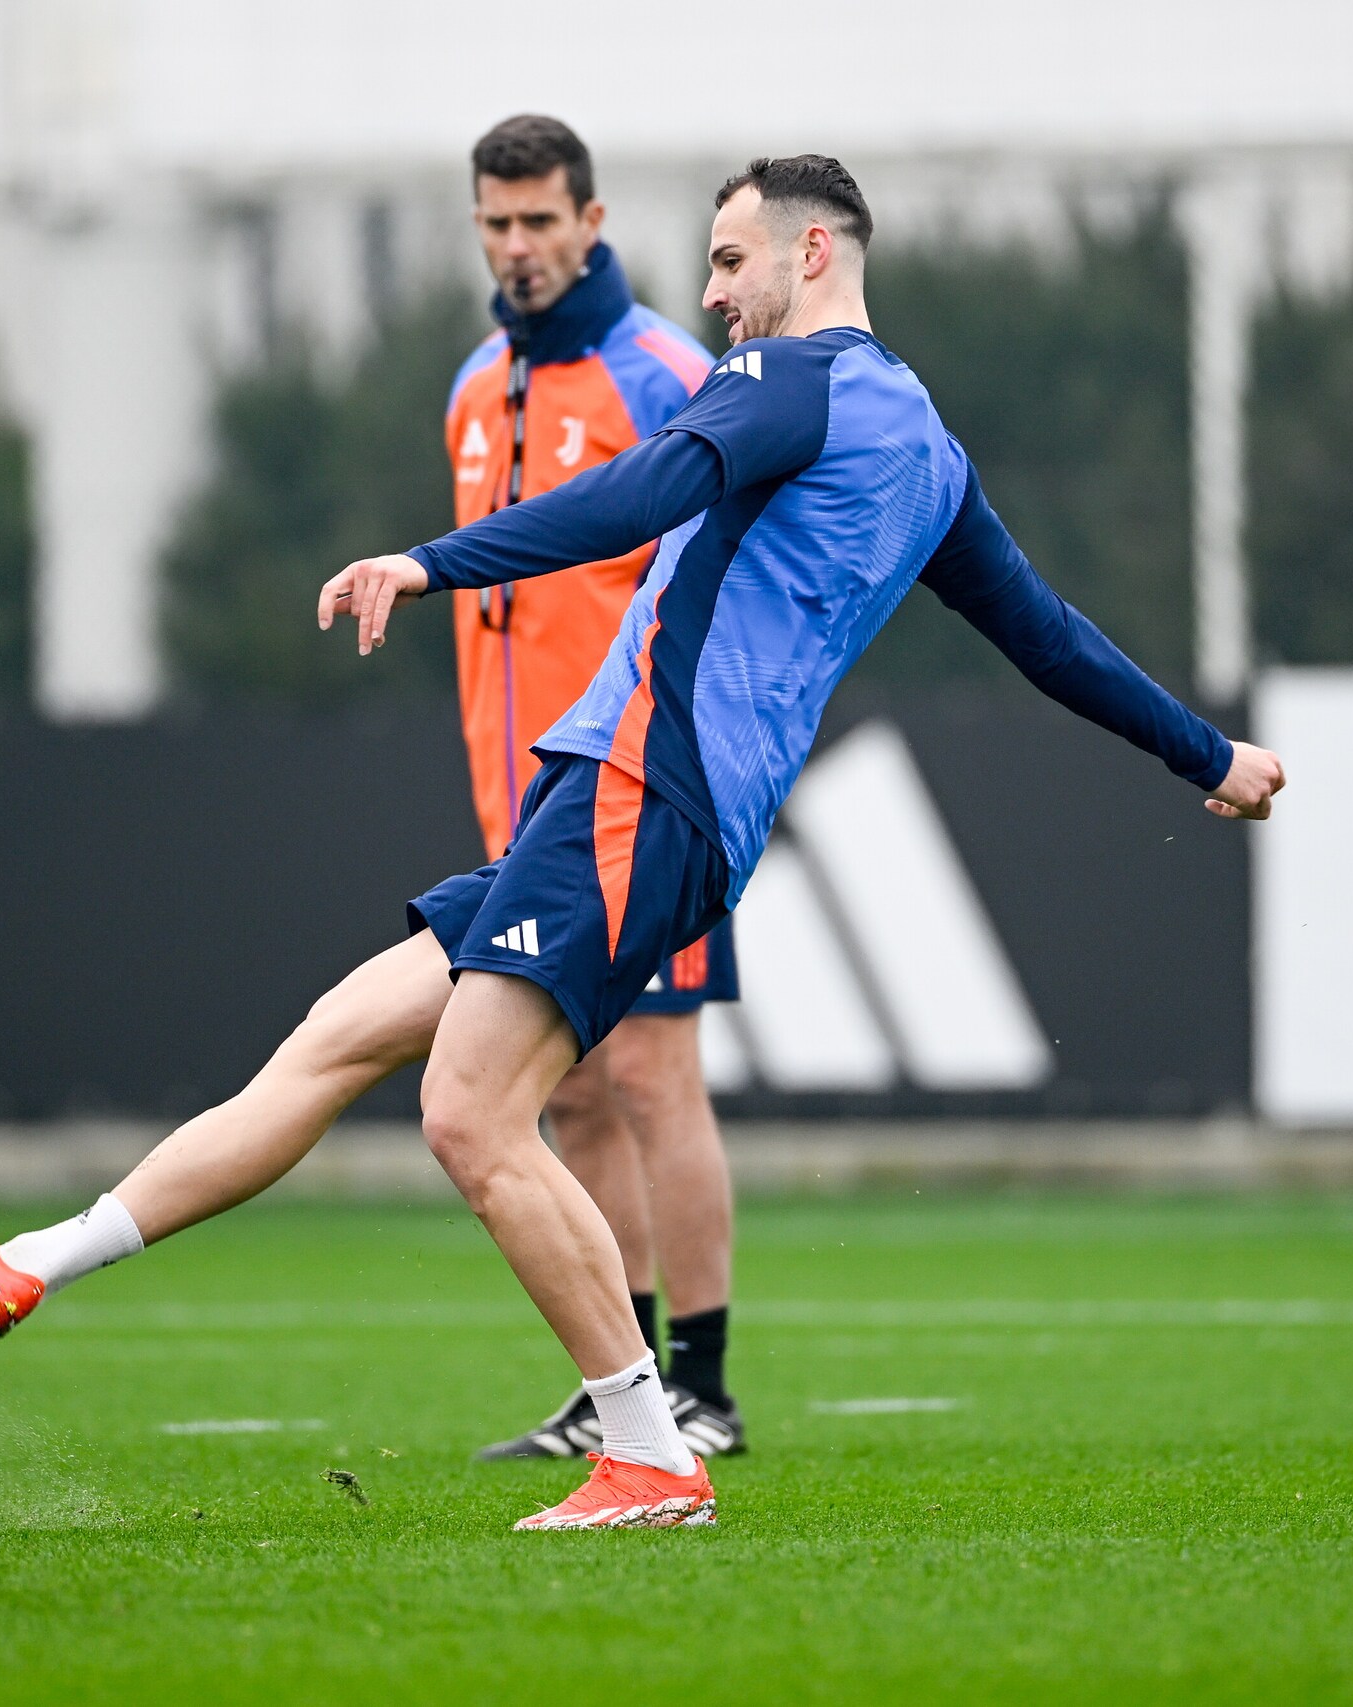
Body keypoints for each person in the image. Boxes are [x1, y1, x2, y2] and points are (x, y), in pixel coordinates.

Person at [0, 154, 1286, 1532]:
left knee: (469, 1113)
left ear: (812, 254)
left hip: (642, 785)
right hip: (635, 798)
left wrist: (429, 562)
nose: (713, 293)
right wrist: (1208, 753)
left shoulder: (785, 378)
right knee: (336, 1038)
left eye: (731, 261)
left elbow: (636, 495)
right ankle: (30, 1264)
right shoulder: (926, 448)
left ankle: (651, 1450)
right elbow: (1050, 639)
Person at [447, 116, 745, 1463]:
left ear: (591, 220)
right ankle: (618, 1381)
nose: (517, 246)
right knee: (562, 1093)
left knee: (653, 1071)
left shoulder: (668, 373)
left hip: (641, 789)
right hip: (519, 806)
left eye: (538, 221)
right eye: (496, 223)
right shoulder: (474, 388)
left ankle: (705, 1386)